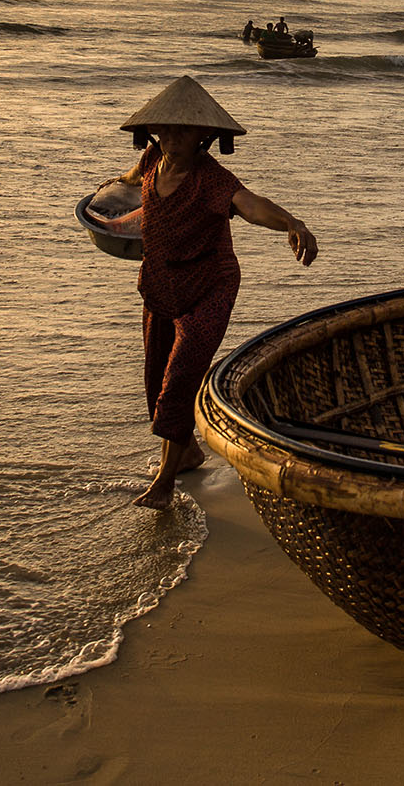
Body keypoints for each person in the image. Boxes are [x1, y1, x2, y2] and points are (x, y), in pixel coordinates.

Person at [106, 76, 318, 509]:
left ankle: (164, 484)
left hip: (210, 287)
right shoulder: (151, 161)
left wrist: (293, 223)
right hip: (161, 285)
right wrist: (101, 203)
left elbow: (252, 204)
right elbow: (124, 184)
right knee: (155, 377)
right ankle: (186, 452)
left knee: (181, 377)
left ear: (206, 135)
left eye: (184, 130)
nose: (173, 137)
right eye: (165, 128)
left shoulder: (211, 178)